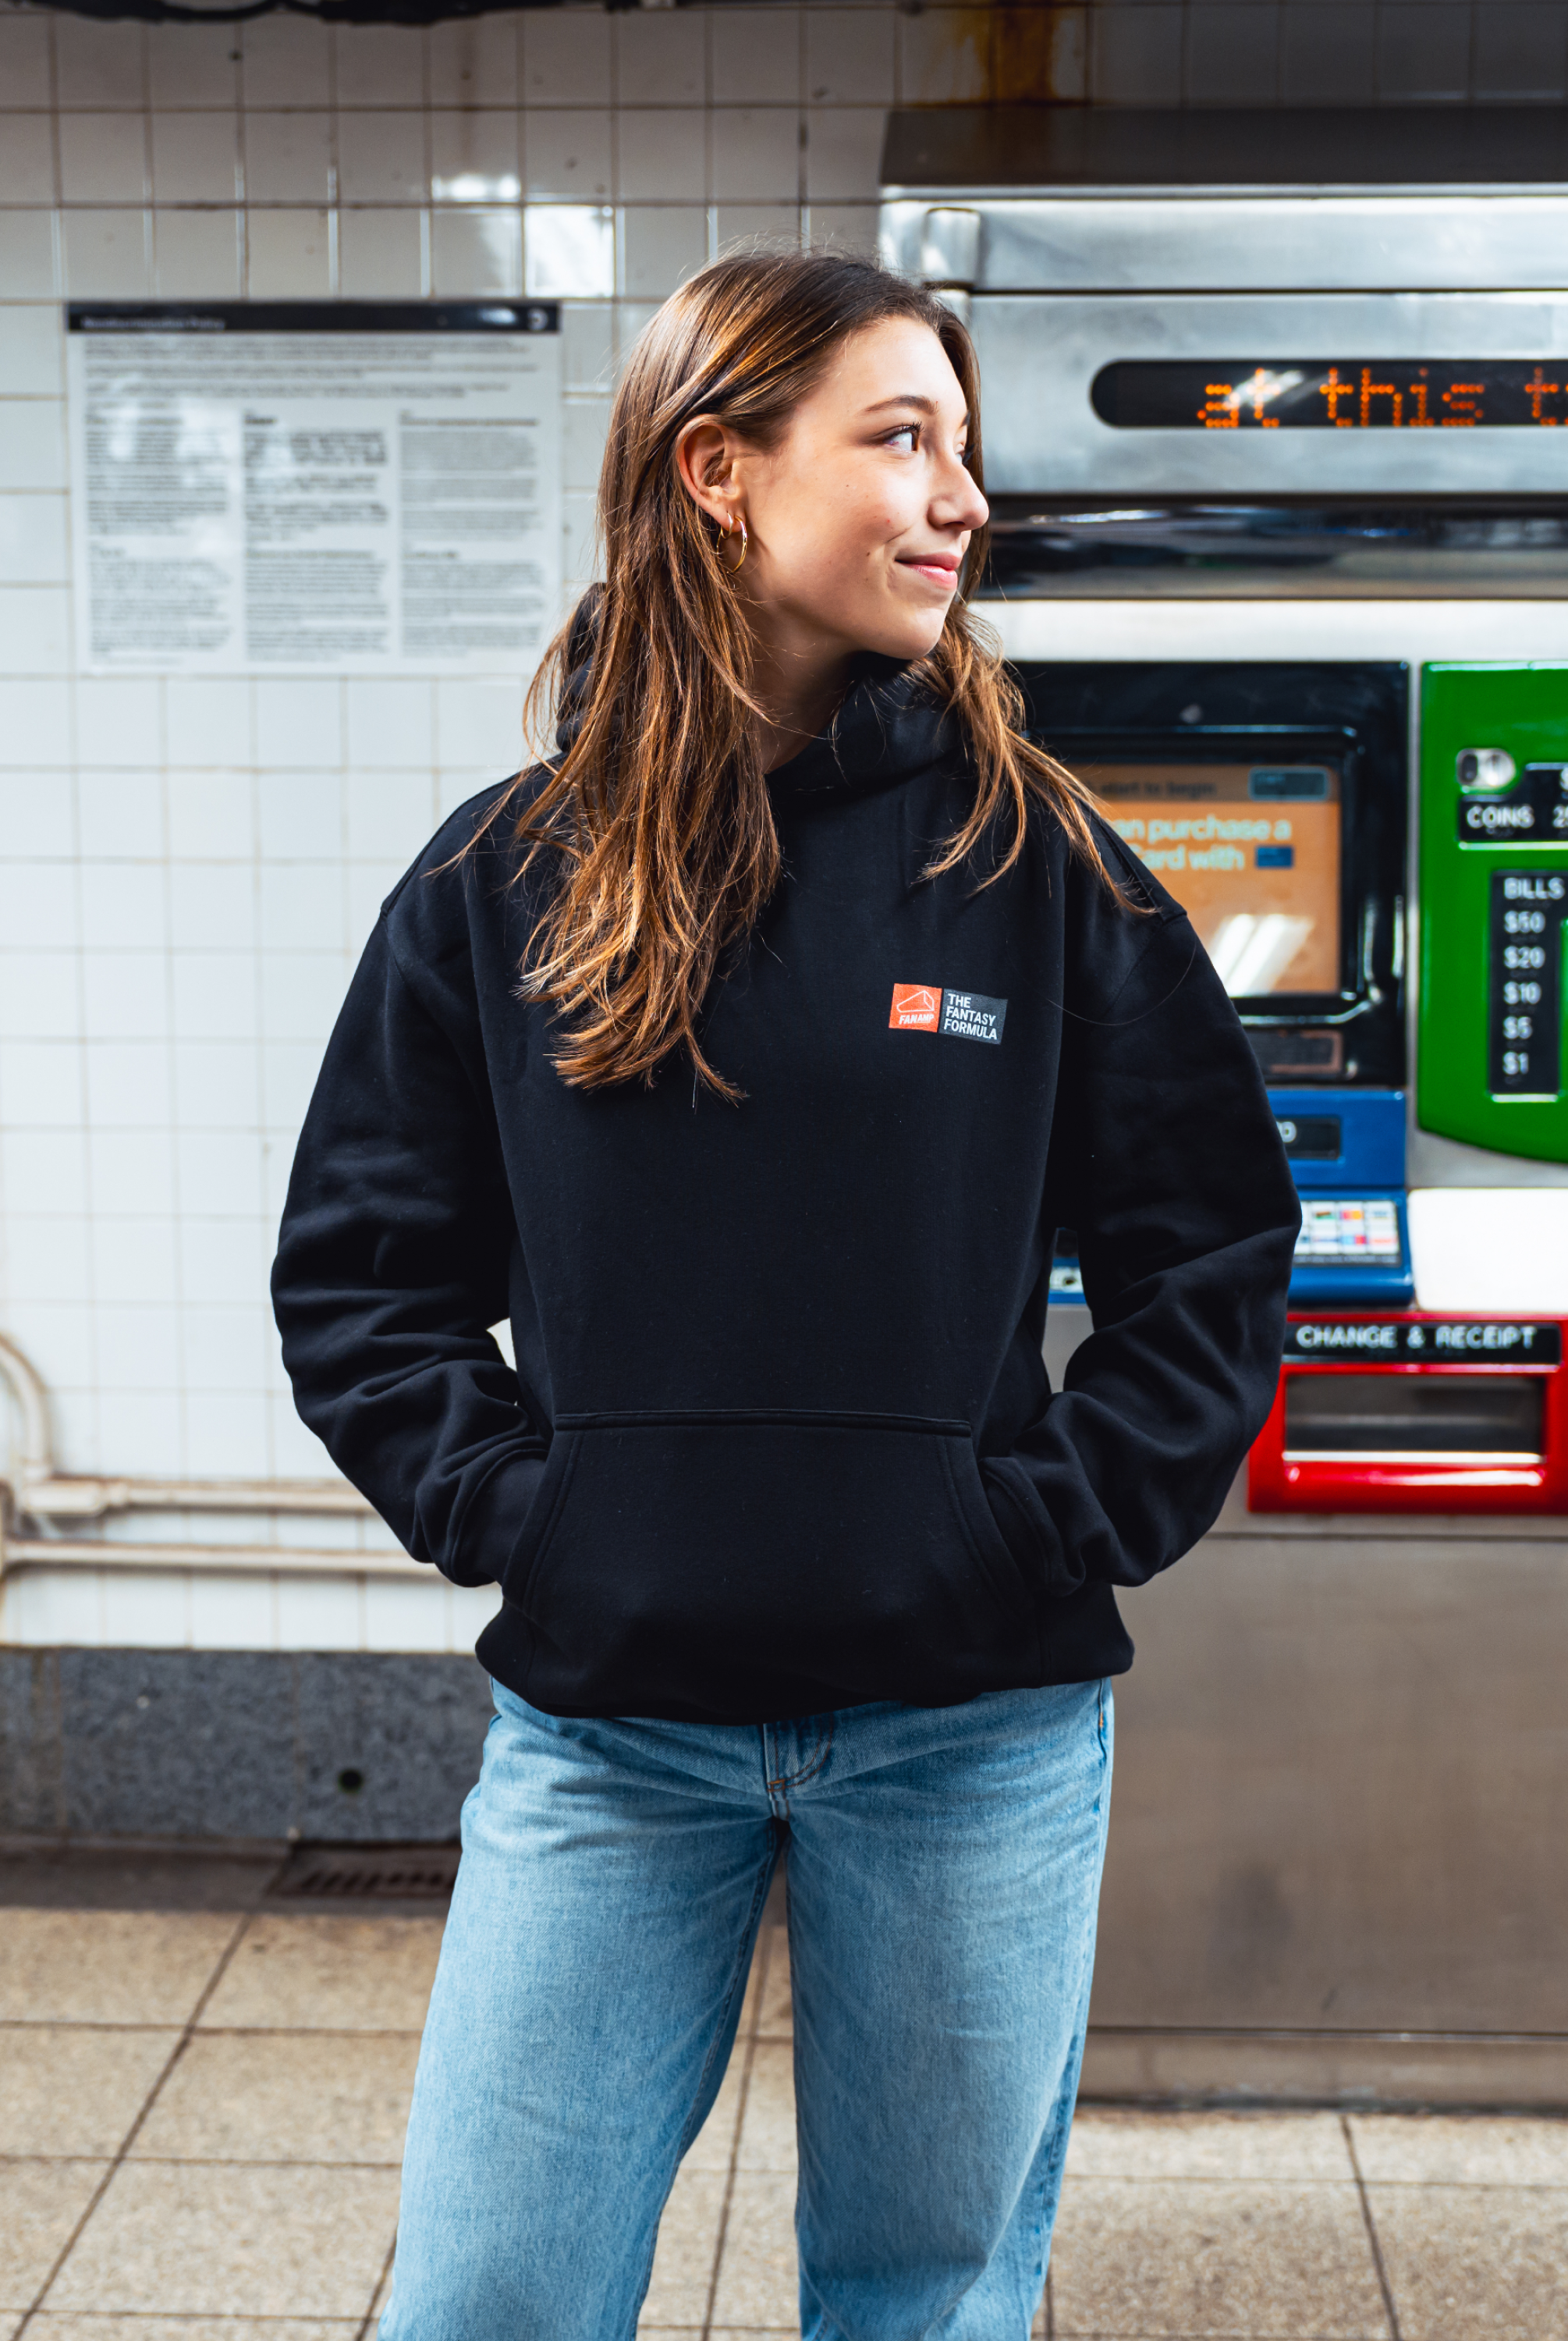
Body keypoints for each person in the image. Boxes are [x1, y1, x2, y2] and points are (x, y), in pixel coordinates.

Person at [271, 251, 1299, 2341]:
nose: (962, 498)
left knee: (919, 2302)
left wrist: (1045, 1523)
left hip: (972, 1734)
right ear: (719, 469)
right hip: (609, 1733)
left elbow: (1210, 1250)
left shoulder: (1039, 865)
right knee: (489, 2300)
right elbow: (364, 1278)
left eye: (966, 447)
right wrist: (531, 1517)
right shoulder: (506, 879)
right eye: (901, 439)